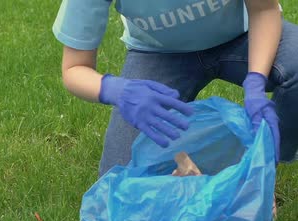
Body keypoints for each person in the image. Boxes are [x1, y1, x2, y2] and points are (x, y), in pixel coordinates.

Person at [53, 0, 296, 177]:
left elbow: (264, 9)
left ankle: (263, 166)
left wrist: (255, 80)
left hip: (241, 38)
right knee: (118, 178)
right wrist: (116, 89)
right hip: (159, 53)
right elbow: (74, 69)